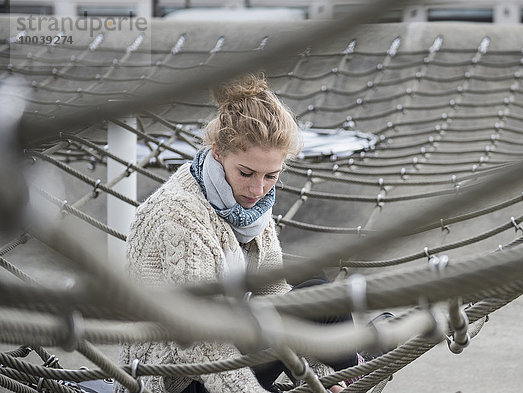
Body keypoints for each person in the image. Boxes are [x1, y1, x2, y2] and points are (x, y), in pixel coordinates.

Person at [117, 74, 351, 393]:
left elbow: (273, 293)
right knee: (326, 303)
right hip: (180, 378)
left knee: (314, 280)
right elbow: (204, 343)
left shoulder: (249, 206)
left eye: (272, 175)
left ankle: (347, 376)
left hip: (233, 347)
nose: (258, 188)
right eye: (246, 172)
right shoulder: (179, 213)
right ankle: (354, 372)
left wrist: (319, 376)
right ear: (217, 152)